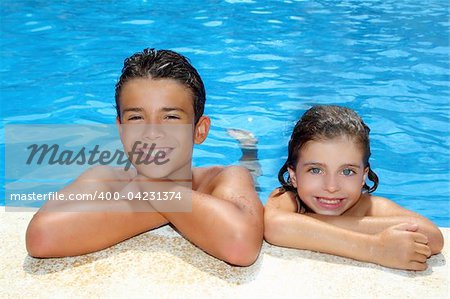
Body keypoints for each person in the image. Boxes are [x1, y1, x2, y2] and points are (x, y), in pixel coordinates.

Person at [26, 48, 264, 266]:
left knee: (251, 169)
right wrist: (163, 194)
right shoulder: (104, 178)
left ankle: (249, 150)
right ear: (121, 130)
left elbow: (241, 245)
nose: (152, 134)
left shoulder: (224, 177)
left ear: (199, 130)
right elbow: (41, 237)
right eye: (136, 118)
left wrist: (147, 188)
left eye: (170, 117)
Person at [264, 105, 444, 271]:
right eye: (316, 170)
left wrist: (309, 222)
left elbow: (433, 237)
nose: (332, 187)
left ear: (363, 176)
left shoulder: (370, 206)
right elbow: (275, 226)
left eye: (347, 171)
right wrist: (375, 248)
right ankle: (250, 150)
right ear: (294, 176)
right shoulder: (288, 197)